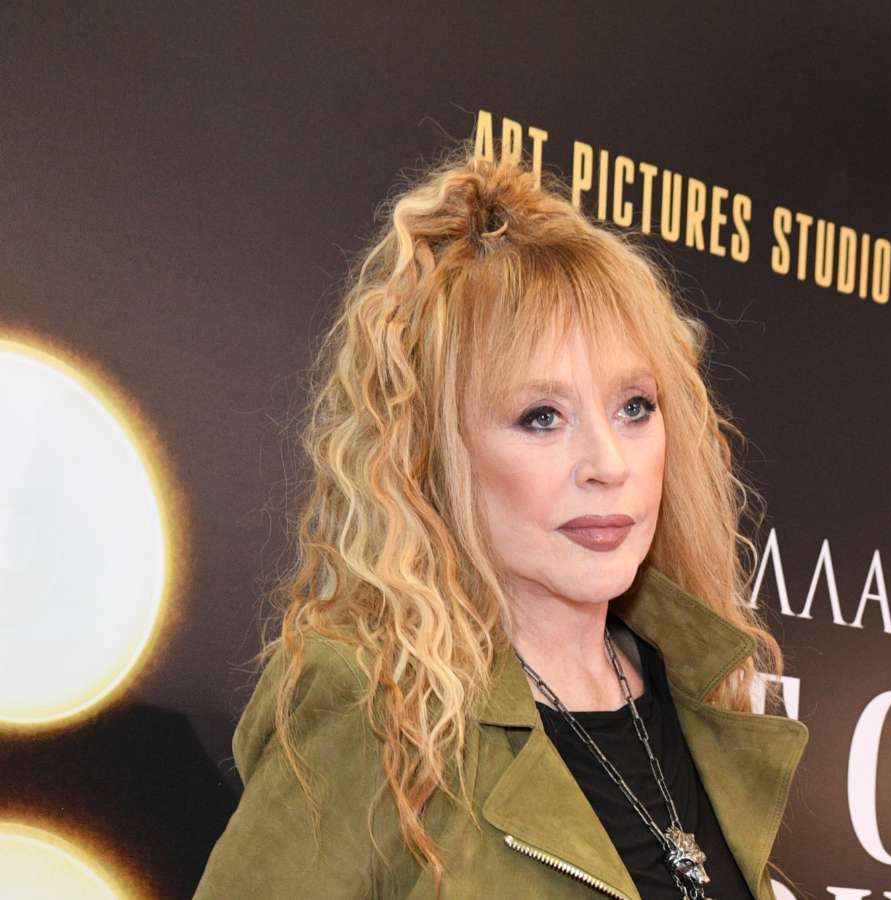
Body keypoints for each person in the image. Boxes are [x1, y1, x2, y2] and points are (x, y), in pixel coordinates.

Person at [193, 139, 810, 900]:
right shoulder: (376, 707)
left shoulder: (697, 690)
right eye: (541, 416)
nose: (607, 463)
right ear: (433, 454)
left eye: (634, 407)